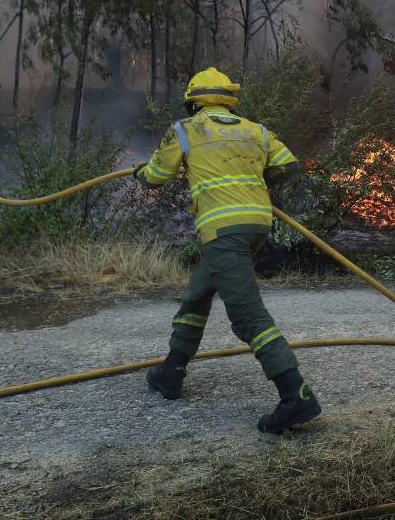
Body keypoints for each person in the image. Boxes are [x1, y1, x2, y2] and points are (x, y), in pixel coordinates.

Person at [135, 67, 318, 434]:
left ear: (193, 102)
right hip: (256, 226)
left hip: (222, 232)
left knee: (248, 316)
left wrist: (138, 172)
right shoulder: (255, 131)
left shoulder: (186, 131)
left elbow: (155, 175)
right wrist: (253, 181)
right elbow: (288, 165)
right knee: (198, 294)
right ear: (230, 101)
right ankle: (172, 370)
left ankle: (295, 394)